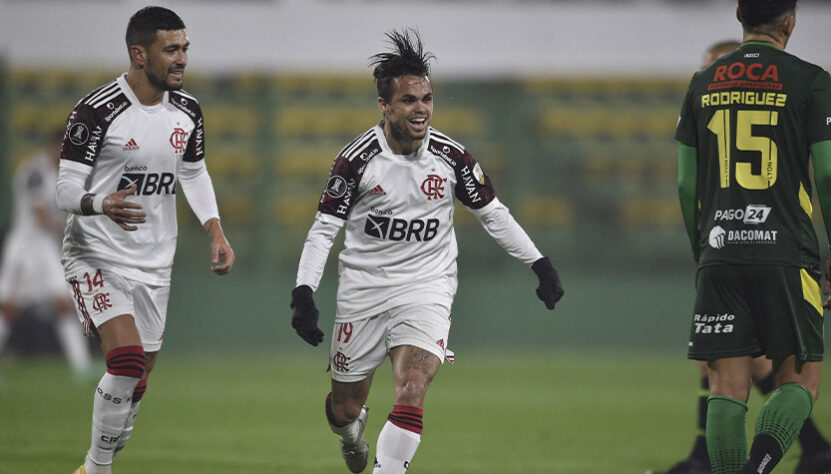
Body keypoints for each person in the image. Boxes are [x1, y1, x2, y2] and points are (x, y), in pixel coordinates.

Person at [290, 28, 563, 474]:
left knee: (413, 387)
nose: (421, 110)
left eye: (427, 99)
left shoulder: (451, 157)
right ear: (385, 105)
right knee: (343, 405)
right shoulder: (356, 161)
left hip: (426, 289)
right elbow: (323, 231)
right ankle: (350, 430)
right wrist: (304, 292)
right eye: (409, 101)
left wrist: (540, 263)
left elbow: (493, 213)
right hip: (364, 292)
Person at [55, 7, 235, 474]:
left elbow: (193, 172)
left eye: (185, 49)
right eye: (170, 50)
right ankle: (97, 468)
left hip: (155, 260)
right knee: (128, 359)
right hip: (95, 252)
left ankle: (101, 458)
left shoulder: (188, 110)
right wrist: (101, 204)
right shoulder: (95, 112)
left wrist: (214, 229)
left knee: (140, 374)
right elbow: (65, 191)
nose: (181, 59)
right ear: (139, 54)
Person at [654, 38, 831, 474]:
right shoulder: (807, 80)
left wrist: (702, 250)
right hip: (784, 250)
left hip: (720, 249)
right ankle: (779, 460)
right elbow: (830, 173)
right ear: (790, 18)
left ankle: (739, 457)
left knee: (724, 383)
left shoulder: (703, 86)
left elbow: (686, 184)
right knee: (801, 382)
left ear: (740, 13)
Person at [0, 131, 92, 378]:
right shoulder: (34, 170)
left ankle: (81, 367)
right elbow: (39, 212)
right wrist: (66, 233)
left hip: (46, 248)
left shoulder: (63, 175)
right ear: (52, 147)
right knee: (9, 307)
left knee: (64, 302)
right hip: (24, 246)